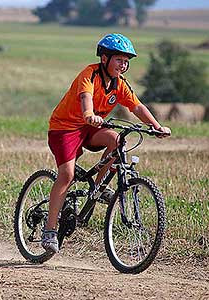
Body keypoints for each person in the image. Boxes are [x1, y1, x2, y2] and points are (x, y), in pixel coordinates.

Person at [42, 33, 171, 254]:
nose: (124, 65)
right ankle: (50, 229)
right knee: (67, 174)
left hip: (91, 128)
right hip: (65, 127)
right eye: (119, 59)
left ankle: (98, 188)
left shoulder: (119, 84)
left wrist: (156, 126)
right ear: (104, 58)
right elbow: (86, 97)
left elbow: (137, 107)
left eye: (126, 61)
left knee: (116, 140)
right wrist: (89, 114)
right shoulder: (89, 74)